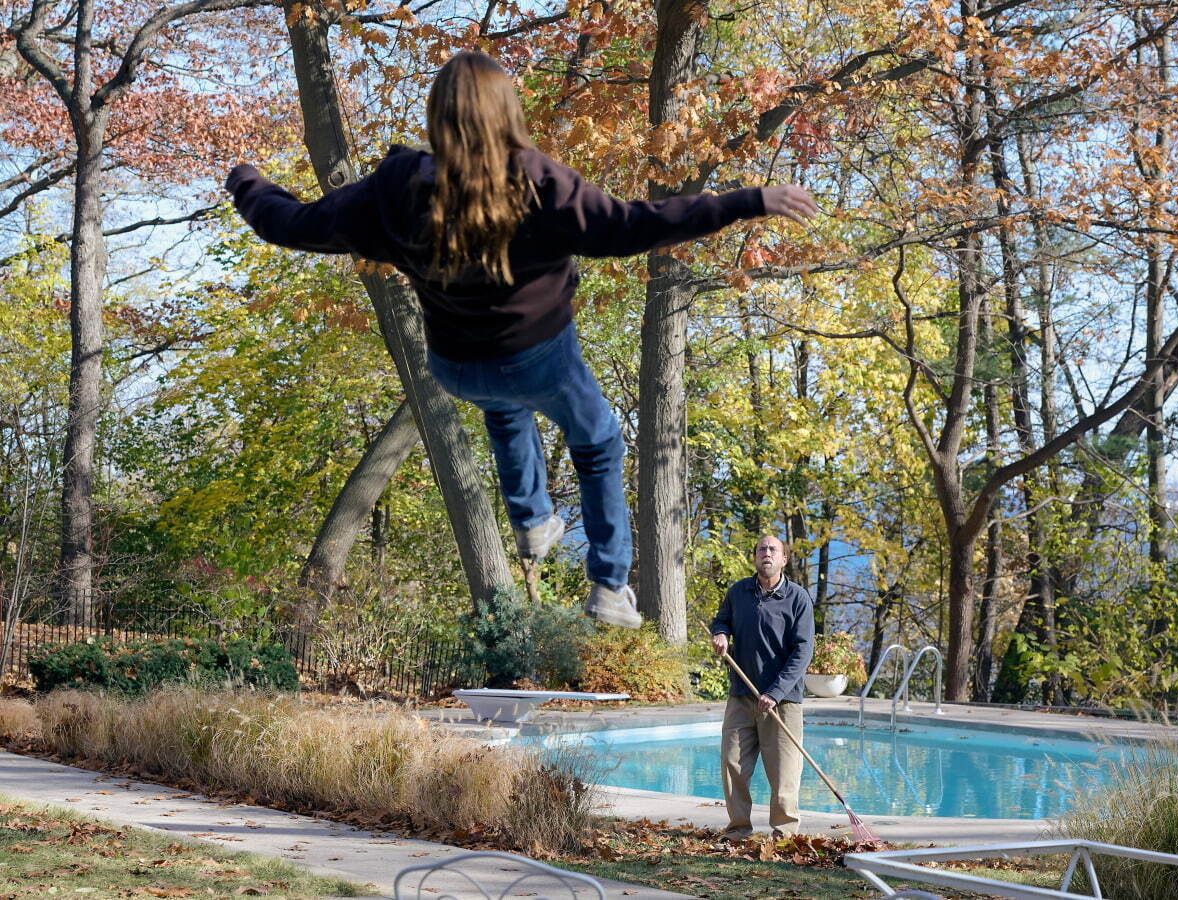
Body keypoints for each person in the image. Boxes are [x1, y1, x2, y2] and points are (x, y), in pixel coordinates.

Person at [225, 51, 819, 629]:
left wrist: (248, 181)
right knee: (599, 442)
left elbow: (293, 224)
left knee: (504, 411)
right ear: (507, 114)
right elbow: (635, 225)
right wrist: (748, 200)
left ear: (439, 117)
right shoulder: (537, 182)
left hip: (456, 365)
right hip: (540, 359)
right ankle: (610, 584)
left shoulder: (396, 188)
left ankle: (533, 520)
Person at [710, 534, 814, 839]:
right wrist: (721, 634)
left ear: (783, 560)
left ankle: (784, 835)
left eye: (773, 550)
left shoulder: (798, 598)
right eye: (761, 549)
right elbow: (722, 620)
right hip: (742, 696)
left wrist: (775, 692)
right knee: (733, 765)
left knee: (784, 774)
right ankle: (738, 830)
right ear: (755, 557)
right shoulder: (738, 591)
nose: (766, 553)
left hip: (783, 701)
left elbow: (803, 652)